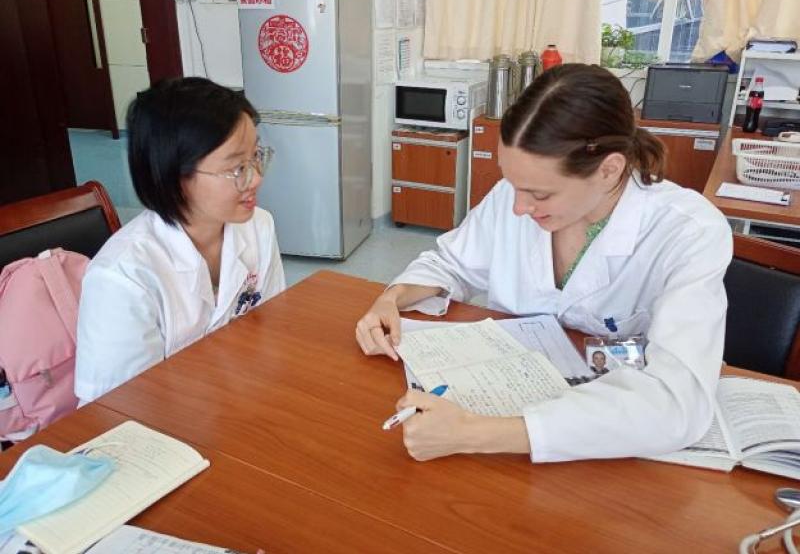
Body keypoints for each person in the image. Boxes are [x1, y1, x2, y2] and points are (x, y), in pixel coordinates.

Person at [355, 63, 732, 463]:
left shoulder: (688, 232)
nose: (518, 207)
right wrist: (393, 298)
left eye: (540, 194)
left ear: (609, 170)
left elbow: (676, 405)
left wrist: (473, 434)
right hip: (510, 388)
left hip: (602, 447)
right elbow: (450, 262)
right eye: (513, 185)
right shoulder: (515, 196)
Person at [75, 78, 286, 403]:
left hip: (241, 401)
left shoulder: (258, 226)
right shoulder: (122, 277)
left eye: (256, 156)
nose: (256, 177)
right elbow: (118, 408)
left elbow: (272, 327)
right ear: (175, 176)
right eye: (237, 168)